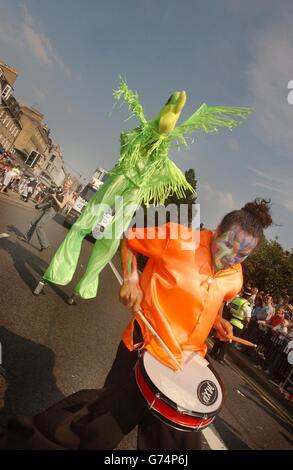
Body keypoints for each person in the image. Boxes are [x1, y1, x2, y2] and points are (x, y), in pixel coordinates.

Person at [0, 198, 273, 450]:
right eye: (228, 244)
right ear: (216, 230)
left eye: (242, 254)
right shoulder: (177, 237)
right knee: (98, 427)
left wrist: (218, 320)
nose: (231, 257)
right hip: (144, 348)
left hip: (185, 364)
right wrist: (130, 278)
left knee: (174, 446)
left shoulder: (235, 276)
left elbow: (216, 298)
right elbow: (130, 240)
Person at [17, 179, 72, 252]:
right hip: (46, 206)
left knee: (39, 226)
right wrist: (42, 202)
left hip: (52, 210)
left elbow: (61, 206)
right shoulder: (60, 191)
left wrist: (55, 197)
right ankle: (26, 237)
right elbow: (50, 197)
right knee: (34, 222)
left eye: (68, 184)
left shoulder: (66, 195)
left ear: (70, 186)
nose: (66, 185)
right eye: (65, 183)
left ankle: (45, 244)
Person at [210, 289, 252, 362]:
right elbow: (248, 319)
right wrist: (246, 322)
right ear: (249, 296)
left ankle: (213, 352)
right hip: (238, 325)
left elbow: (229, 308)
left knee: (221, 337)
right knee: (228, 341)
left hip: (229, 321)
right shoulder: (246, 305)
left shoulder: (236, 300)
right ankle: (220, 357)